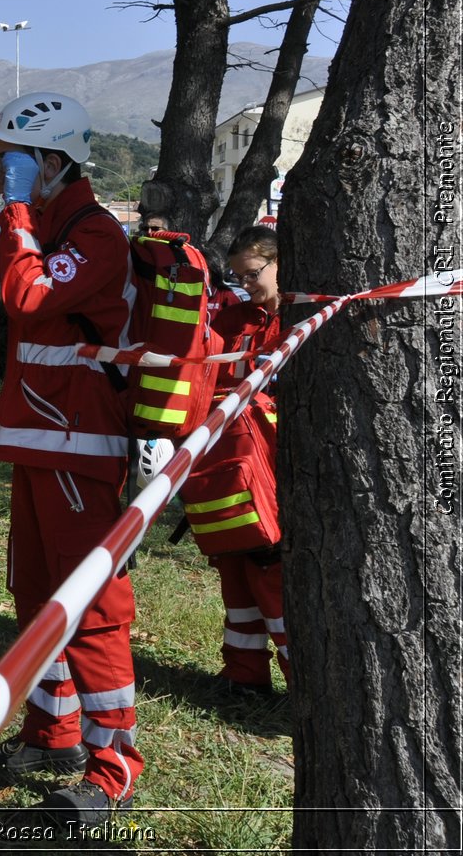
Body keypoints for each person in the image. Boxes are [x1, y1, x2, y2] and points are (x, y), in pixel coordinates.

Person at [0, 92, 142, 827]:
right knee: (36, 596)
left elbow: (27, 298)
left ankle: (113, 767)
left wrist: (16, 214)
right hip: (36, 437)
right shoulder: (39, 225)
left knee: (91, 604)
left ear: (51, 161)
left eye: (9, 157)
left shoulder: (94, 235)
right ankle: (53, 735)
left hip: (79, 443)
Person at [183, 224, 289, 696]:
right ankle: (244, 676)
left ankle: (302, 688)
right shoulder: (232, 322)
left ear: (278, 263)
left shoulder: (304, 317)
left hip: (277, 468)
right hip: (229, 462)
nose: (244, 286)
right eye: (238, 277)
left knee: (271, 571)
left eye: (252, 275)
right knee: (234, 568)